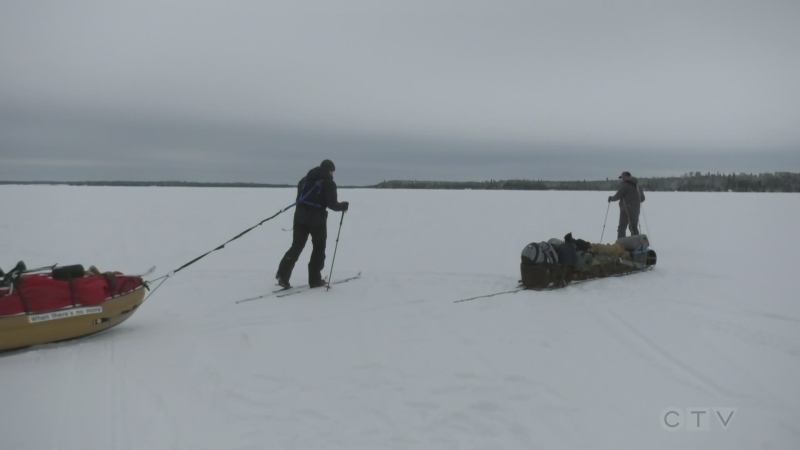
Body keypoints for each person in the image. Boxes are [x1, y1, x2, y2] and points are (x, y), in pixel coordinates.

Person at [276, 159, 349, 289]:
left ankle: (282, 275)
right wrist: (343, 206)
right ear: (329, 170)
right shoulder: (329, 183)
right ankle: (315, 279)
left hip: (300, 217)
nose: (333, 174)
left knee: (296, 246)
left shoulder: (304, 179)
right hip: (317, 220)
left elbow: (300, 197)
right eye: (332, 171)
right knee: (318, 249)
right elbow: (332, 204)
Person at [608, 171, 645, 239]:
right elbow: (642, 199)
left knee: (622, 227)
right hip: (636, 210)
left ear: (627, 177)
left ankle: (621, 244)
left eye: (623, 177)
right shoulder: (638, 186)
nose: (622, 179)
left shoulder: (625, 185)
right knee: (633, 227)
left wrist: (611, 199)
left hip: (625, 210)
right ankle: (637, 243)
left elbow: (618, 196)